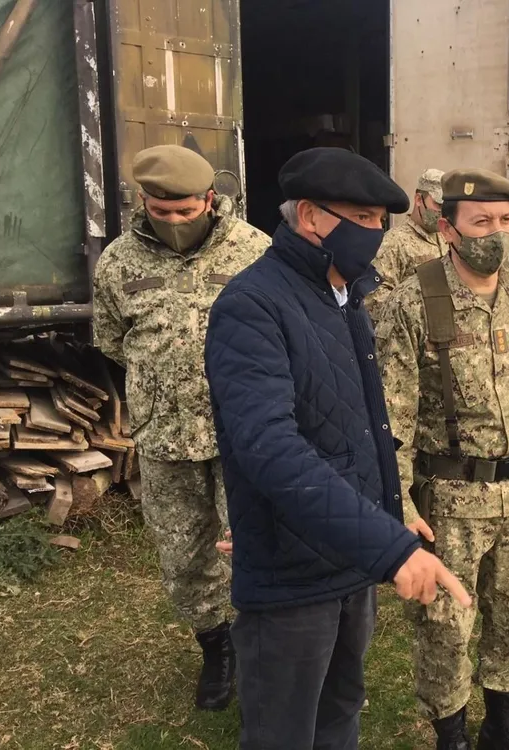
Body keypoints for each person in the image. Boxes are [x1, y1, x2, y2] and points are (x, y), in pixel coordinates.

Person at [203, 147, 470, 750]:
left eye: (381, 221)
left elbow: (356, 427)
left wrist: (389, 510)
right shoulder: (253, 305)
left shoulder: (344, 296)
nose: (375, 233)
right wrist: (391, 549)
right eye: (363, 217)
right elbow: (269, 447)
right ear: (309, 218)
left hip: (346, 558)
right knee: (285, 730)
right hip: (293, 577)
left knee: (340, 708)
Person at [377, 168, 509, 750]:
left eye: (505, 220)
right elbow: (394, 419)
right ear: (448, 228)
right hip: (449, 500)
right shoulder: (414, 301)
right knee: (444, 624)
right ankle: (451, 734)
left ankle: (503, 724)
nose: (496, 232)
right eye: (481, 221)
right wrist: (401, 503)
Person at [92, 144, 270, 711]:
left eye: (185, 211)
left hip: (245, 436)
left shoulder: (256, 252)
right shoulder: (118, 262)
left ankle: (263, 648)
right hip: (165, 435)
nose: (172, 222)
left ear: (209, 200)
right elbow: (113, 341)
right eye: (160, 211)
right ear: (143, 201)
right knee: (184, 555)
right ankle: (216, 647)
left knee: (252, 546)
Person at [367, 168, 449, 320]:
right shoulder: (394, 242)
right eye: (438, 205)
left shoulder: (446, 238)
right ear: (419, 199)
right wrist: (416, 313)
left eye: (446, 207)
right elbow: (373, 297)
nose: (442, 212)